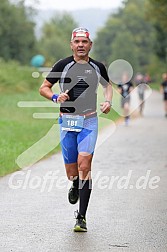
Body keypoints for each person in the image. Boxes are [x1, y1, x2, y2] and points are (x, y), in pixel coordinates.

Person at [39, 27, 112, 232]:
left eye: (84, 42)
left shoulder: (98, 67)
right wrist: (55, 97)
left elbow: (107, 86)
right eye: (77, 41)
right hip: (67, 121)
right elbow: (43, 87)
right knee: (73, 173)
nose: (81, 45)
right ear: (71, 44)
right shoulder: (62, 65)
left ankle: (81, 217)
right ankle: (75, 184)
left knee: (85, 165)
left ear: (90, 45)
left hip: (89, 121)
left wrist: (108, 101)